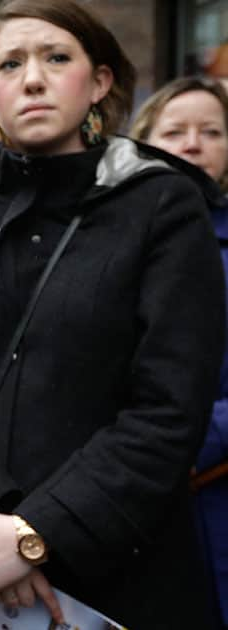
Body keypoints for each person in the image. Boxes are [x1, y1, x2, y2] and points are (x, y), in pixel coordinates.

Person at [0, 1, 225, 628]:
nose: (33, 78)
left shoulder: (163, 206)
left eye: (56, 57)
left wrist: (35, 535)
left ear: (99, 82)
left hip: (121, 574)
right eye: (11, 63)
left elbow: (170, 407)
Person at [129, 76, 228, 629]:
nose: (193, 143)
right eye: (175, 131)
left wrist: (194, 439)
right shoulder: (107, 234)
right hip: (127, 492)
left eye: (211, 132)